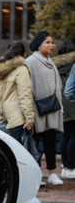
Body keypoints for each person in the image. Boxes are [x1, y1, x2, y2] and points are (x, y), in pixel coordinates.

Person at [26, 31, 64, 186]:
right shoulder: (30, 61)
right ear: (39, 44)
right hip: (37, 108)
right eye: (47, 42)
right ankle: (35, 175)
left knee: (50, 141)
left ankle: (52, 173)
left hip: (52, 107)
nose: (51, 45)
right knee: (34, 142)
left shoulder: (50, 61)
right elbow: (28, 86)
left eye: (52, 42)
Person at [0, 42, 34, 143]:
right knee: (21, 152)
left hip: (7, 114)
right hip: (19, 116)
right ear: (24, 54)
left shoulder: (1, 71)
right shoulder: (21, 69)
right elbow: (25, 95)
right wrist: (29, 118)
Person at [55, 38, 75, 179]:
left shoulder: (56, 64)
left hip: (60, 103)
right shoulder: (72, 65)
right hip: (72, 103)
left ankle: (64, 166)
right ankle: (71, 166)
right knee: (73, 135)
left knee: (66, 135)